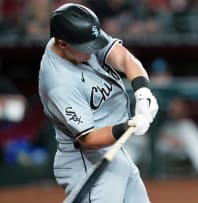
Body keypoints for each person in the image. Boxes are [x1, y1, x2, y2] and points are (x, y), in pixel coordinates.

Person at [38, 3, 158, 203]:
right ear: (62, 43)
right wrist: (127, 126)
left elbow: (125, 58)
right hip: (84, 160)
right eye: (85, 48)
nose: (91, 52)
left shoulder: (80, 35)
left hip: (113, 151)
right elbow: (89, 139)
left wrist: (142, 92)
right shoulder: (58, 83)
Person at [150, 58, 198, 176]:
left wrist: (172, 102)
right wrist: (168, 137)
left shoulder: (172, 93)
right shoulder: (143, 93)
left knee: (187, 127)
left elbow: (182, 114)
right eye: (157, 74)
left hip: (169, 132)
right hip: (149, 137)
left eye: (164, 74)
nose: (161, 78)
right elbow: (143, 128)